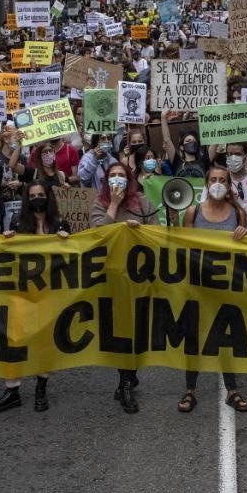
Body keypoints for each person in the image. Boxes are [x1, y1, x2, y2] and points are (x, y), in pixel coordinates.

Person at [0, 181, 71, 413]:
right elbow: (7, 254)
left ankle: (41, 387)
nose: (37, 198)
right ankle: (12, 389)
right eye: (33, 195)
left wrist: (68, 240)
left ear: (48, 196)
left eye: (41, 194)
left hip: (49, 293)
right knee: (13, 338)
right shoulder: (18, 222)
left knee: (44, 341)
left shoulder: (59, 223)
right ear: (28, 198)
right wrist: (6, 239)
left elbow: (74, 257)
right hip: (21, 291)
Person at [178, 165, 247, 413]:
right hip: (198, 287)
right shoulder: (192, 212)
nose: (218, 183)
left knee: (226, 337)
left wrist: (244, 233)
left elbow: (245, 250)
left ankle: (232, 390)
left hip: (227, 288)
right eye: (213, 179)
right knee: (194, 337)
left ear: (229, 185)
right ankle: (190, 390)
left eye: (223, 180)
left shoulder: (238, 213)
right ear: (206, 184)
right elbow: (184, 248)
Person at [90, 162, 157, 413]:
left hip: (139, 275)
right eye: (112, 176)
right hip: (112, 276)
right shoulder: (100, 202)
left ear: (130, 180)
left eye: (121, 176)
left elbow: (156, 232)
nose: (117, 180)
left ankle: (128, 377)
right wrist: (114, 205)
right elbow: (99, 233)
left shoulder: (142, 202)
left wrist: (140, 232)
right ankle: (126, 379)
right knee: (118, 329)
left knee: (137, 328)